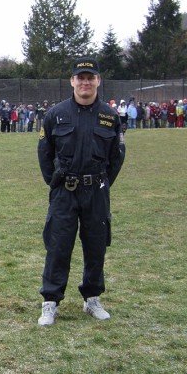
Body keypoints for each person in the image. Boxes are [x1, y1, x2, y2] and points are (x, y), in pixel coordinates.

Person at [36, 56, 125, 327]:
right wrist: (56, 181)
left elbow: (117, 156)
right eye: (80, 77)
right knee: (58, 245)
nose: (85, 82)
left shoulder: (110, 117)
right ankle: (50, 301)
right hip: (64, 191)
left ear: (98, 80)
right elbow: (44, 152)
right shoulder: (56, 114)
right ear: (72, 81)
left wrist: (99, 182)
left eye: (90, 77)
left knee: (96, 245)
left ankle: (92, 298)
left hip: (96, 192)